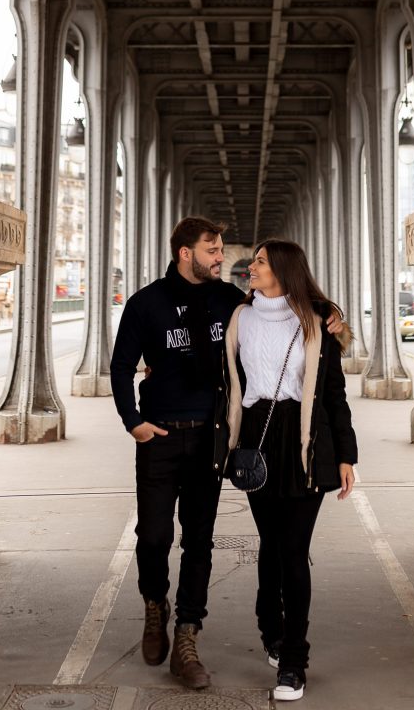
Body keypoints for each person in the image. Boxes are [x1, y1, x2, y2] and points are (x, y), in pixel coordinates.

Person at [110, 216, 243, 690]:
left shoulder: (229, 300)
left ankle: (187, 634)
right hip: (161, 438)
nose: (220, 257)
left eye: (221, 249)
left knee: (200, 540)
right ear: (185, 253)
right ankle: (154, 604)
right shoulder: (147, 304)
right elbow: (122, 365)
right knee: (153, 535)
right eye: (212, 249)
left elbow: (280, 313)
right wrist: (134, 423)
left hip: (208, 437)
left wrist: (328, 312)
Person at [224, 239, 357, 702]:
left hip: (305, 441)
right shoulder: (239, 317)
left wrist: (346, 457)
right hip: (256, 435)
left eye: (259, 262)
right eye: (253, 261)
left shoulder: (318, 320)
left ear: (282, 268)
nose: (250, 268)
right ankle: (271, 628)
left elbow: (334, 394)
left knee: (294, 550)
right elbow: (225, 377)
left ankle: (294, 663)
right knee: (271, 543)